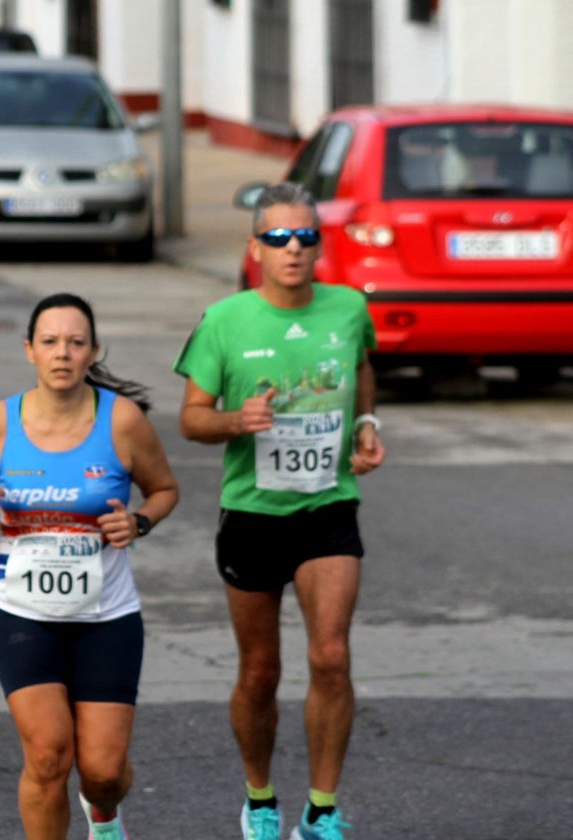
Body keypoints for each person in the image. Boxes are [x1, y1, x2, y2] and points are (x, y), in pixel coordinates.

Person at [173, 182, 385, 840]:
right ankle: (259, 799)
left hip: (327, 506)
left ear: (319, 246)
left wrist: (366, 423)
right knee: (261, 671)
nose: (293, 248)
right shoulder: (224, 320)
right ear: (254, 249)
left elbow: (363, 366)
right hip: (253, 513)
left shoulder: (349, 308)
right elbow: (190, 420)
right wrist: (238, 419)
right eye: (277, 238)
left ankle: (322, 811)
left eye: (305, 237)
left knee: (331, 657)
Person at [0, 292, 179, 840]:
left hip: (107, 616)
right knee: (49, 756)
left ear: (94, 351)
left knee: (103, 772)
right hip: (20, 612)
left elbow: (165, 489)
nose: (63, 353)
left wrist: (139, 522)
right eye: (50, 342)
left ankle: (104, 810)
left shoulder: (123, 421)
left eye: (75, 342)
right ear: (30, 351)